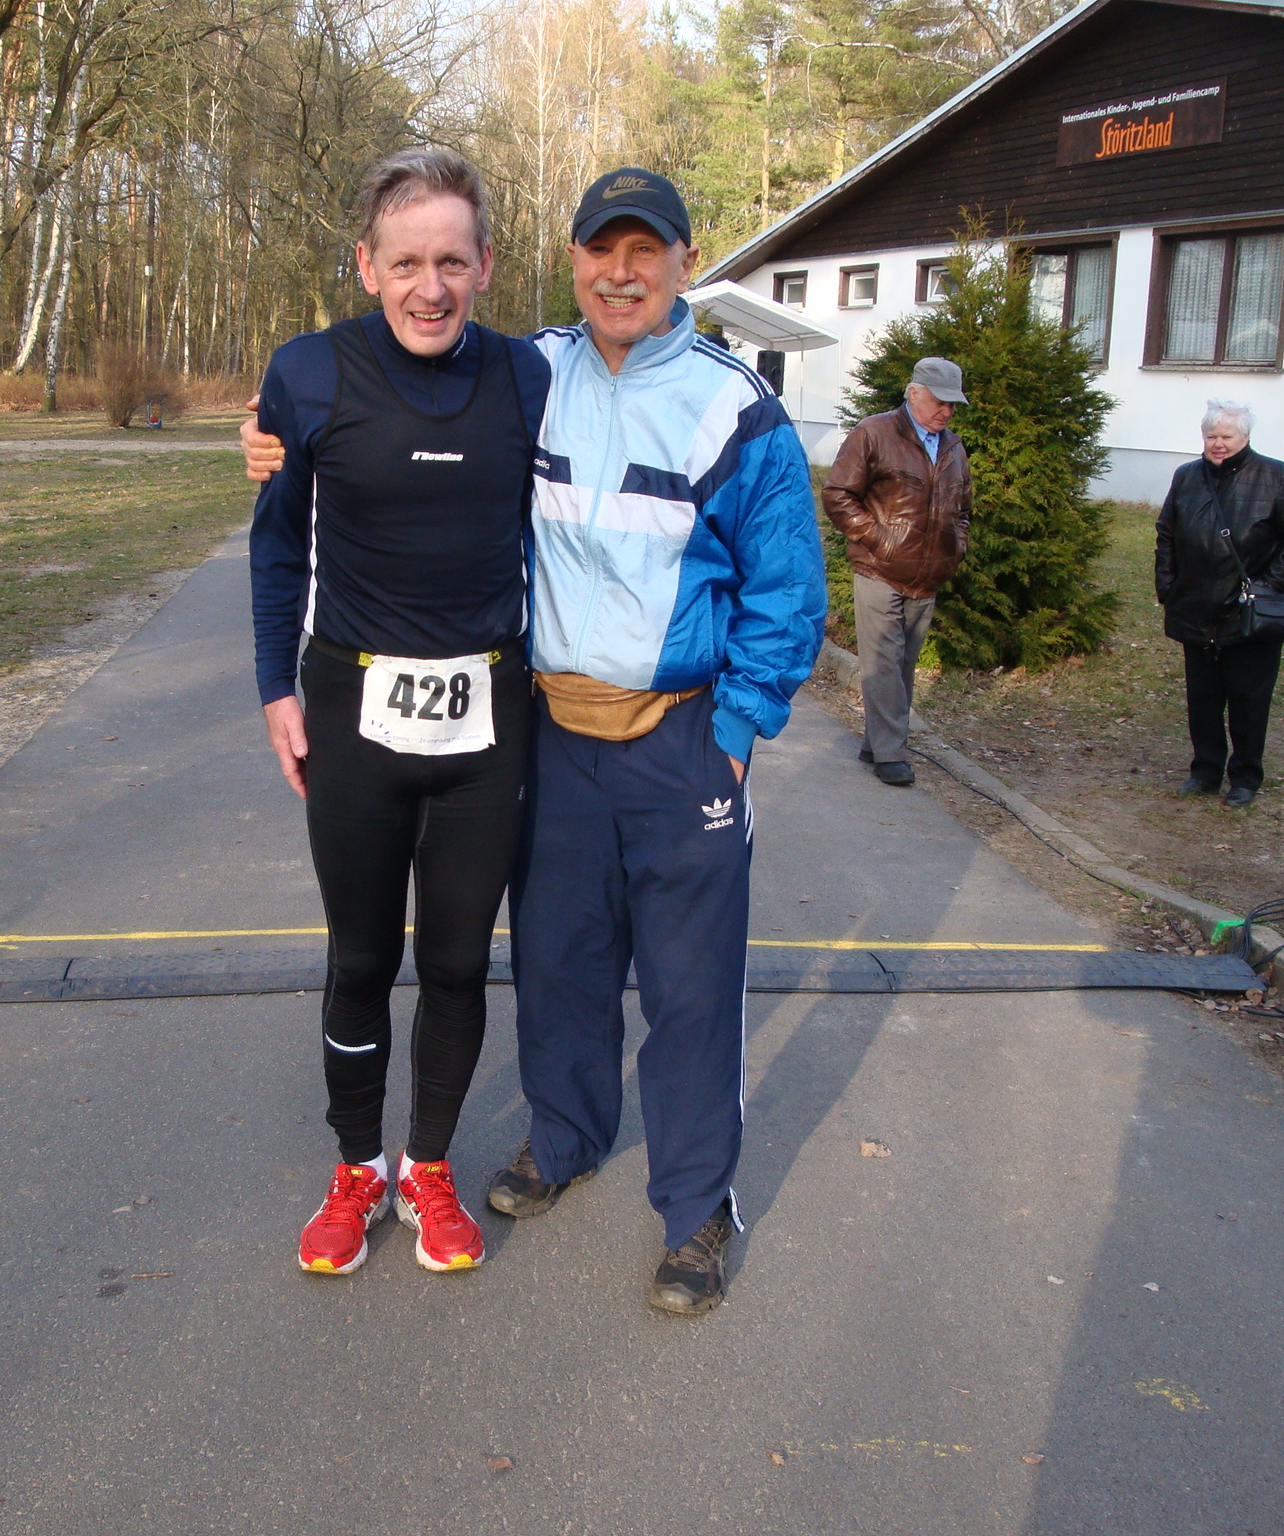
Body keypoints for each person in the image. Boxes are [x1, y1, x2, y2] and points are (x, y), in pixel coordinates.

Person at [247, 167, 825, 1314]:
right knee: (558, 963)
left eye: (645, 251)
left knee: (688, 991)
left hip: (681, 739)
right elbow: (401, 400)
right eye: (601, 250)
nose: (622, 273)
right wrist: (271, 441)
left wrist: (737, 730)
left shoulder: (736, 408)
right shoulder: (534, 373)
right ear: (570, 263)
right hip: (552, 730)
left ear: (682, 261)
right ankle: (562, 1139)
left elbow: (786, 588)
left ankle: (695, 1210)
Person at [249, 148, 550, 1277]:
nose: (432, 288)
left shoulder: (529, 376)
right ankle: (355, 1169)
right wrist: (274, 688)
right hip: (353, 708)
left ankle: (427, 1166)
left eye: (453, 263)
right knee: (363, 957)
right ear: (366, 265)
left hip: (487, 717)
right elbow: (276, 544)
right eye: (408, 262)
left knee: (462, 962)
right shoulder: (307, 373)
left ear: (486, 266)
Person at [819, 357, 972, 787]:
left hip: (928, 576)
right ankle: (890, 754)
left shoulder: (954, 449)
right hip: (879, 569)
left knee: (903, 664)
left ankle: (876, 742)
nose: (946, 412)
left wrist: (955, 549)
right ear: (914, 393)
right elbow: (837, 494)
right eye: (940, 402)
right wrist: (879, 540)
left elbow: (963, 510)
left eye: (953, 405)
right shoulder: (875, 432)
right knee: (883, 662)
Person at [1154, 400, 1284, 809]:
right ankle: (1205, 772)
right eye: (1211, 436)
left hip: (1249, 612)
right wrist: (1168, 585)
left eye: (1227, 436)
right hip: (1196, 607)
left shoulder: (1274, 476)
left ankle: (1244, 778)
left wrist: (1272, 582)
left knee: (1248, 700)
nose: (1218, 444)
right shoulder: (1187, 476)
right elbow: (1166, 532)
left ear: (1245, 437)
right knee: (1203, 700)